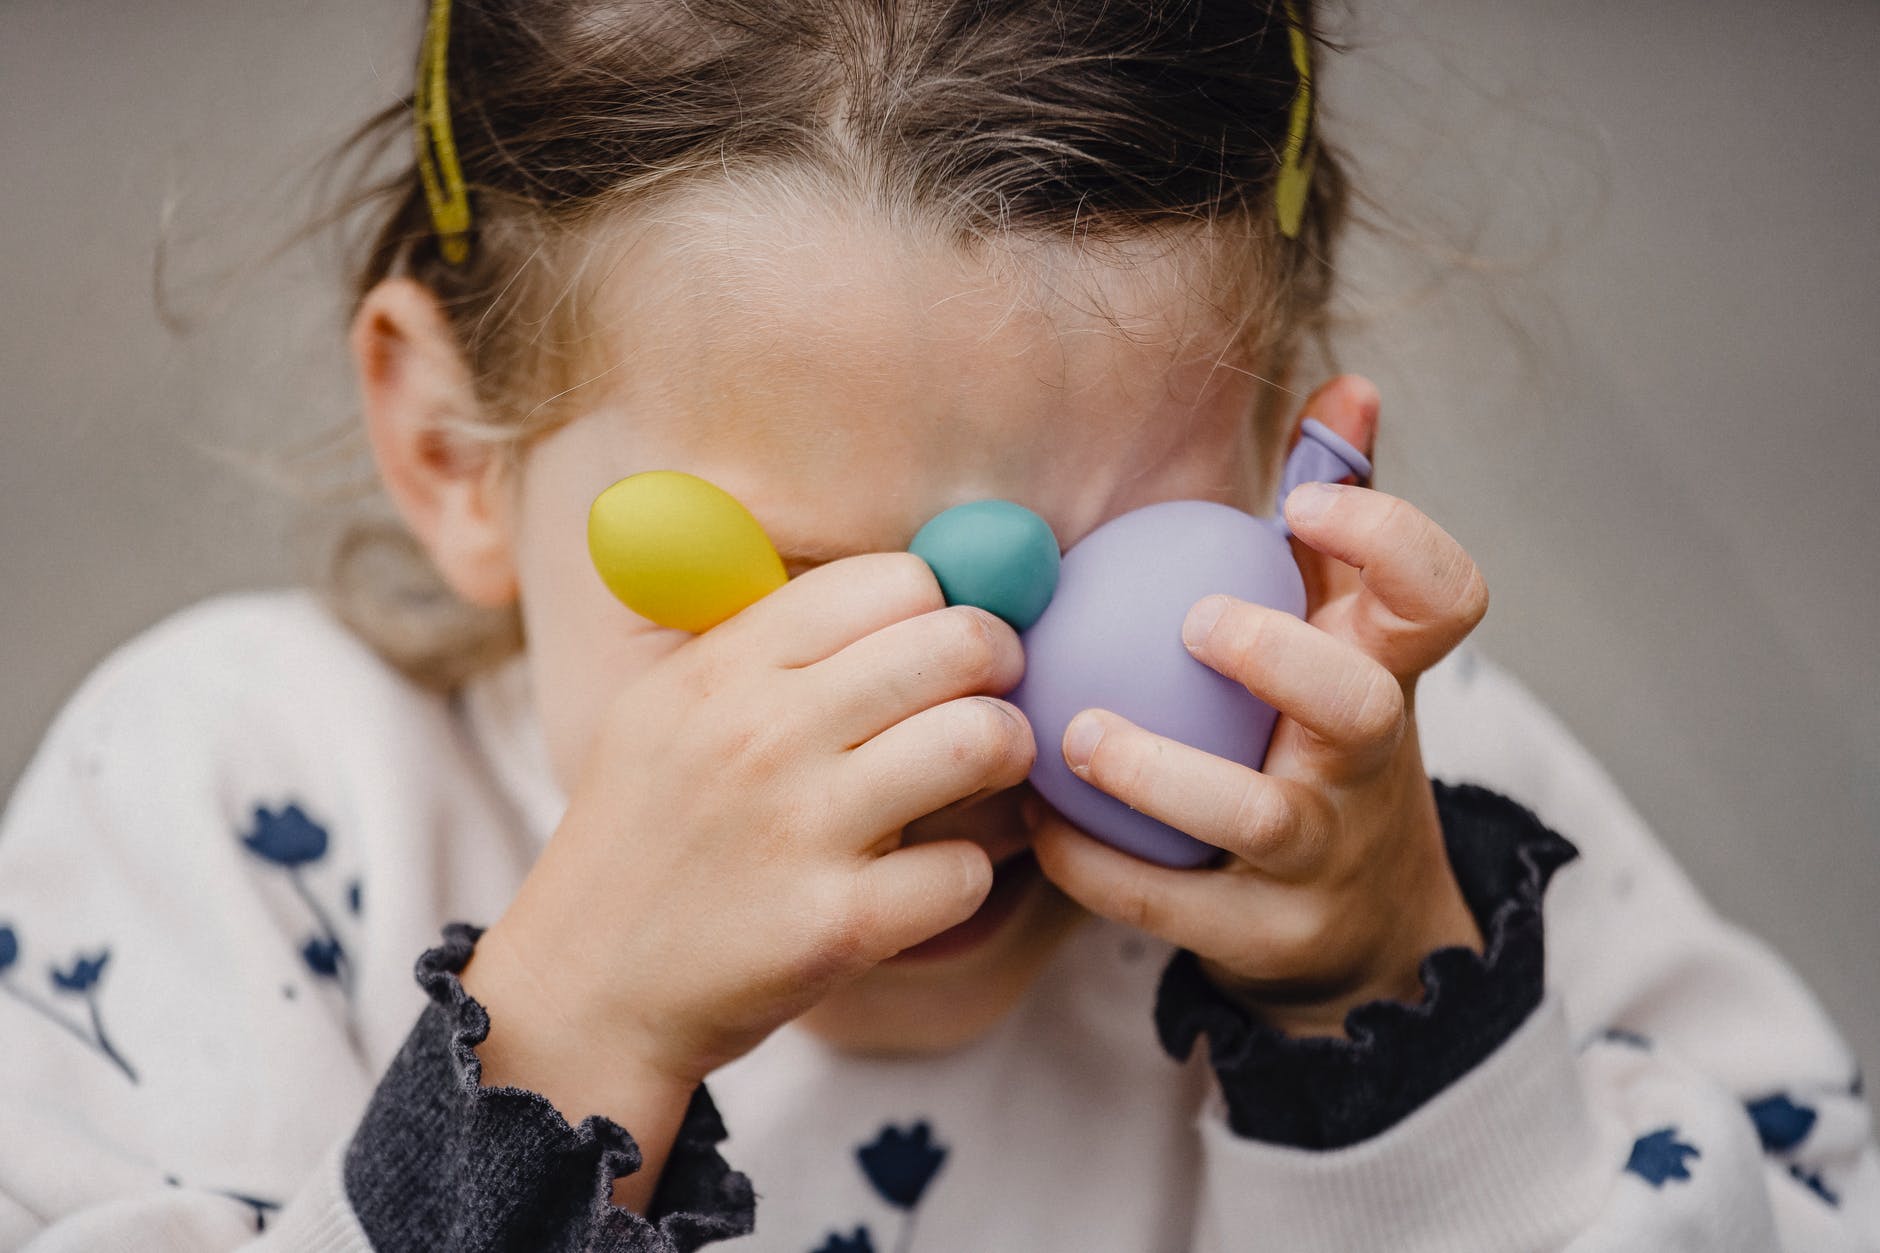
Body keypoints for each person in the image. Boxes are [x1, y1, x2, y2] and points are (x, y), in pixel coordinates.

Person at [1, 1, 1873, 1249]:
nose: (964, 724)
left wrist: (1392, 1022)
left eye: (1115, 567)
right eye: (796, 598)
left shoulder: (1418, 836)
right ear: (449, 450)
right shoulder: (240, 813)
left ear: (1290, 440)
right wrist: (544, 1079)